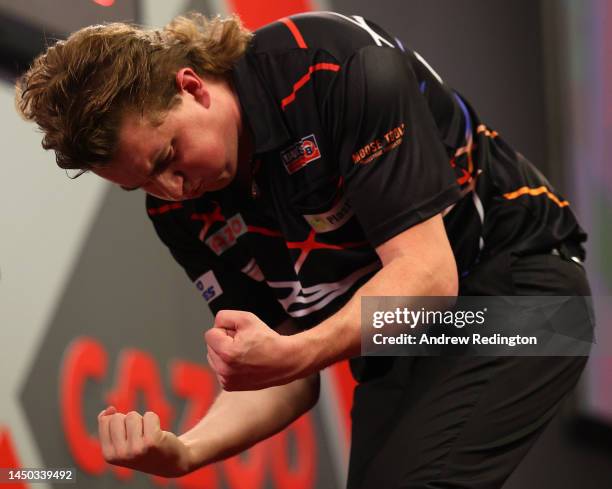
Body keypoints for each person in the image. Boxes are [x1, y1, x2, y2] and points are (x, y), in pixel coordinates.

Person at [15, 11, 592, 488]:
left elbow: (428, 279)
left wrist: (297, 351)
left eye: (168, 158)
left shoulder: (332, 66)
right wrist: (183, 453)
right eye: (140, 184)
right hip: (409, 340)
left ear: (191, 86)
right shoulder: (176, 209)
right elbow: (282, 367)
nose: (171, 189)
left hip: (530, 304)